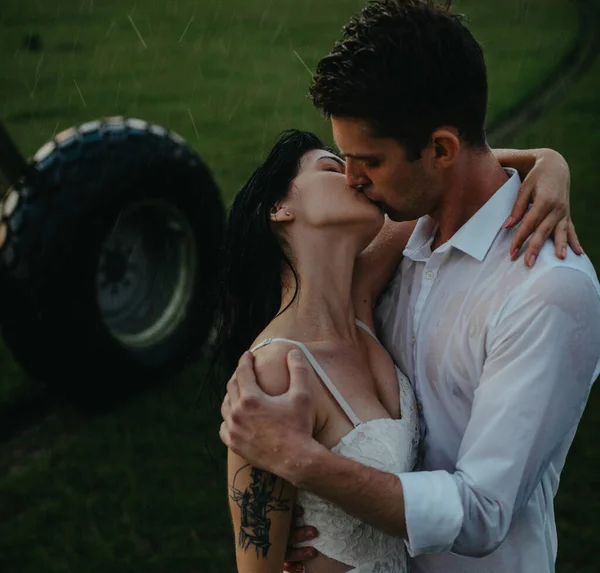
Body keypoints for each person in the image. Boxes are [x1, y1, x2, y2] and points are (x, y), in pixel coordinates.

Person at [218, 1, 600, 572]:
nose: (351, 179)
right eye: (339, 160)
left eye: (365, 160)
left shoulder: (546, 291)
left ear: (441, 149)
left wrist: (303, 462)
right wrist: (543, 159)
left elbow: (480, 514)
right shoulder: (395, 237)